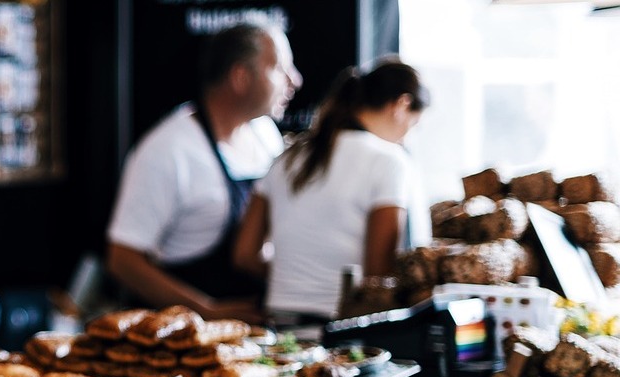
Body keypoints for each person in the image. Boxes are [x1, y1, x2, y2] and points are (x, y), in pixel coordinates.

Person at [106, 19, 302, 322]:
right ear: (240, 77)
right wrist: (206, 311)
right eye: (279, 68)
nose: (295, 80)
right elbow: (123, 260)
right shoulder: (168, 150)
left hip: (256, 330)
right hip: (183, 338)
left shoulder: (264, 134)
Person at [232, 59, 430, 322]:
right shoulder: (390, 161)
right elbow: (378, 276)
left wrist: (296, 277)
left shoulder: (288, 157)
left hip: (280, 326)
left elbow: (244, 255)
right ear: (402, 105)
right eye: (414, 126)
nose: (407, 136)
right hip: (344, 332)